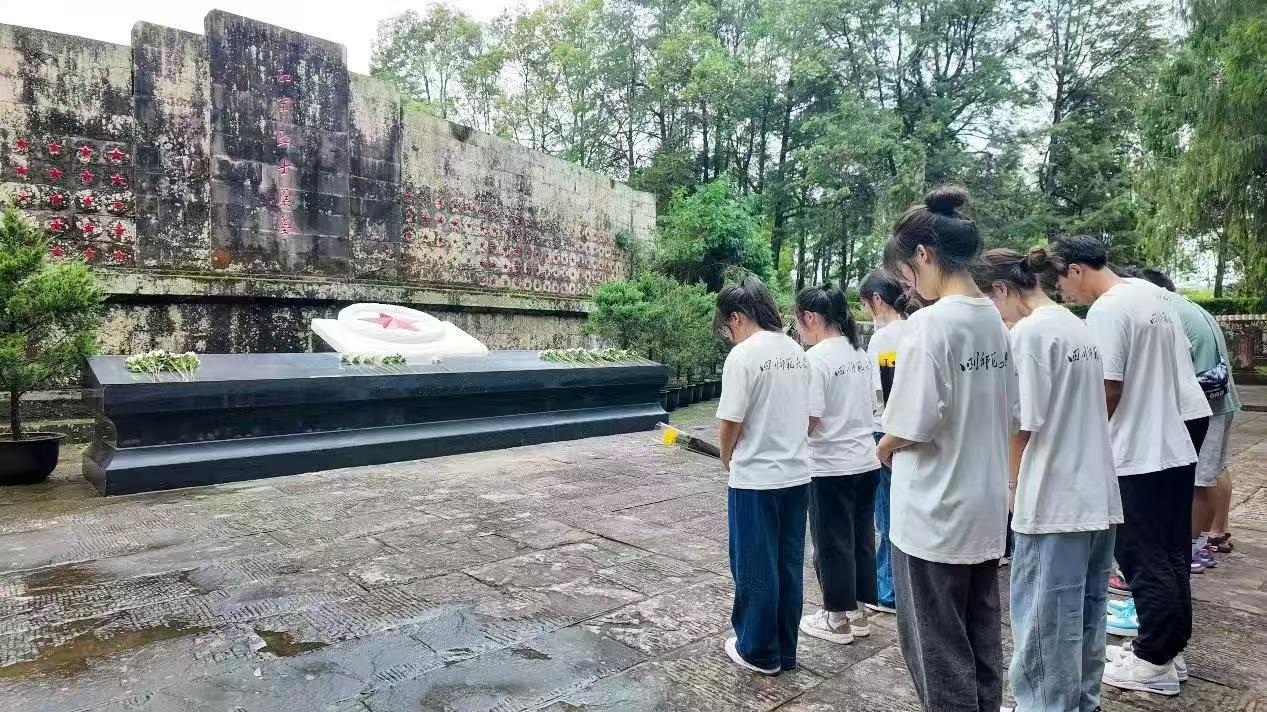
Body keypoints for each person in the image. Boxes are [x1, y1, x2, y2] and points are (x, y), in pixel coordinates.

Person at [1033, 235, 1203, 696]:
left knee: (1143, 557)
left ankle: (1153, 662)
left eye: (1062, 286)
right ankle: (1168, 649)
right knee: (1172, 552)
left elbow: (1107, 388)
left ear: (1075, 270)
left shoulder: (1108, 309)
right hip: (1174, 440)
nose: (1066, 296)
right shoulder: (1150, 293)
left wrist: (1079, 440)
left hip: (1137, 449)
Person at [875, 186, 1018, 712]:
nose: (910, 287)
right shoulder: (995, 322)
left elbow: (911, 423)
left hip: (933, 513)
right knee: (980, 639)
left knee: (936, 649)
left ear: (924, 255)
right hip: (983, 509)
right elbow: (1012, 411)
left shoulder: (929, 326)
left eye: (909, 274)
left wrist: (884, 446)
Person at [976, 248, 1123, 712]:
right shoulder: (1075, 326)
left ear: (1001, 290)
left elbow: (1022, 424)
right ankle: (1081, 702)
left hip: (1054, 499)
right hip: (1096, 495)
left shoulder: (1030, 334)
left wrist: (1011, 487)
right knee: (1086, 616)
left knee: (1045, 623)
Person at [714, 275, 812, 675]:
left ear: (736, 317)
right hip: (797, 475)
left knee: (755, 564)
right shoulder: (797, 351)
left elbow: (730, 422)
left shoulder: (743, 356)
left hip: (756, 479)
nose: (728, 336)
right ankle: (785, 650)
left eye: (726, 328)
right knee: (787, 564)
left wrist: (726, 458)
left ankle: (757, 650)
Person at [793, 283, 884, 645]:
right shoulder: (858, 353)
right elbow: (874, 403)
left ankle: (835, 619)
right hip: (865, 460)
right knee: (861, 538)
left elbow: (811, 418)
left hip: (830, 465)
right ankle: (858, 613)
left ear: (810, 318)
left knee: (832, 542)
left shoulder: (815, 358)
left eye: (797, 321)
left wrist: (788, 438)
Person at [1138, 268, 1242, 571]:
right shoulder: (1190, 307)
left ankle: (1193, 549)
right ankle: (1211, 537)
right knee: (1214, 471)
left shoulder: (1165, 310)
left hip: (1204, 405)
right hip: (1221, 400)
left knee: (1199, 482)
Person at [859, 269, 912, 615]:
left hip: (885, 430)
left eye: (865, 304)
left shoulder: (884, 338)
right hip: (911, 430)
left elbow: (881, 391)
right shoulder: (914, 329)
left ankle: (887, 588)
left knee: (886, 511)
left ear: (877, 300)